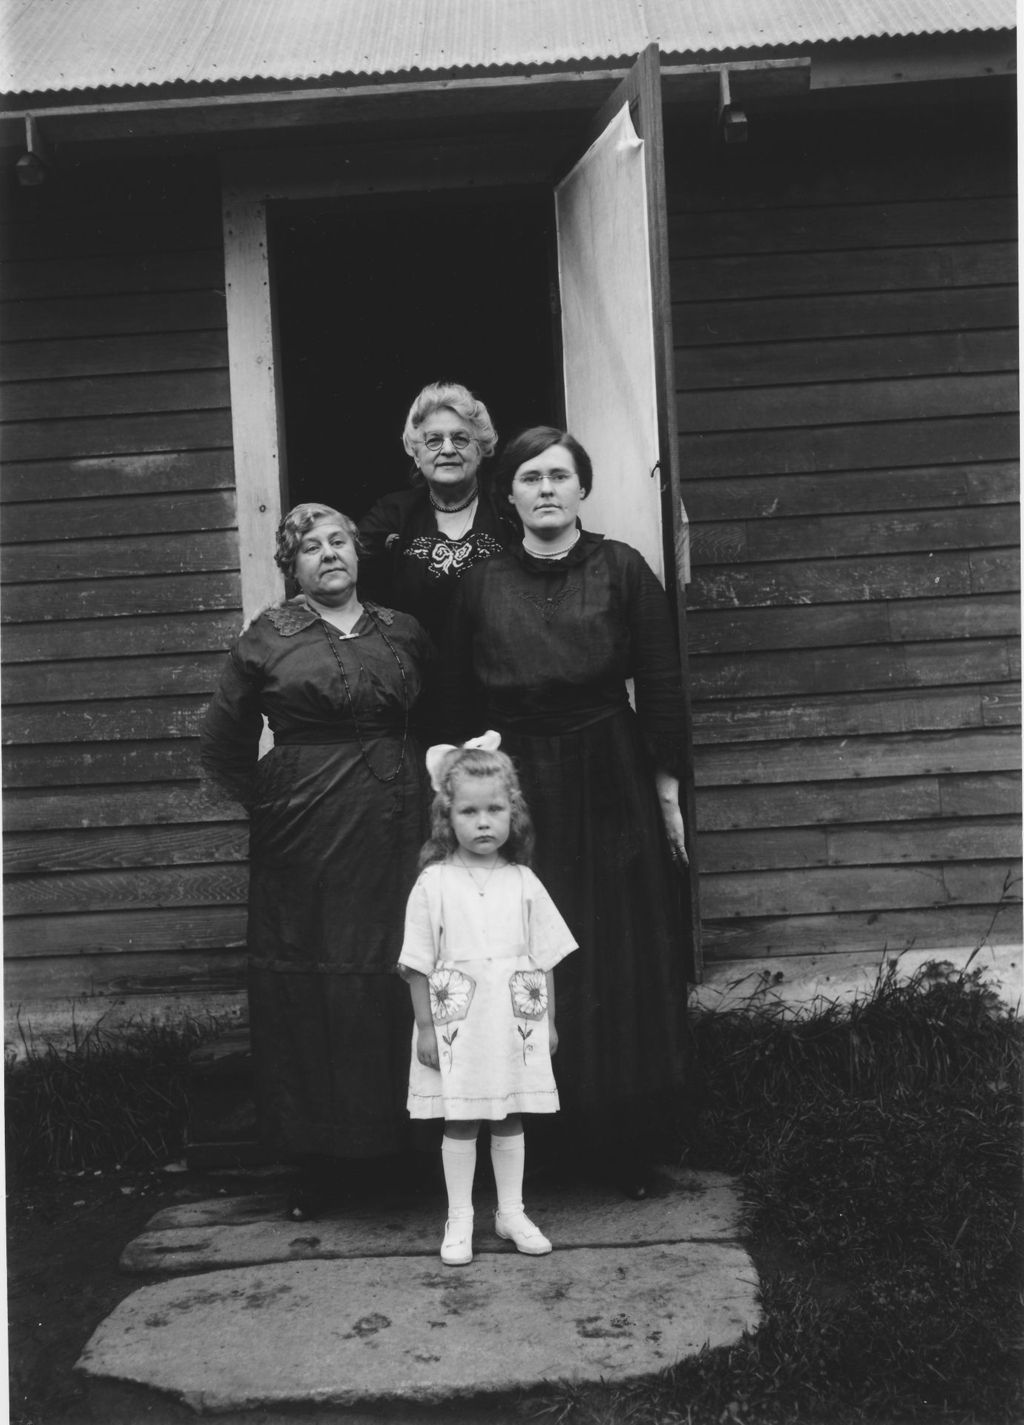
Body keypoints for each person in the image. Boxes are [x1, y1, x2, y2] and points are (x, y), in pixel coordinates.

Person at [439, 427, 690, 1197]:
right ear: (507, 495)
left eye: (560, 476)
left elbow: (662, 682)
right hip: (520, 783)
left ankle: (620, 1143)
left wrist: (667, 788)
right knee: (519, 950)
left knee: (612, 947)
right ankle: (533, 1138)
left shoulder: (622, 571)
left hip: (608, 770)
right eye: (529, 477)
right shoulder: (479, 584)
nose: (545, 489)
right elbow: (454, 696)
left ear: (583, 488)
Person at [200, 502, 432, 1221]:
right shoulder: (268, 637)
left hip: (398, 825)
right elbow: (222, 739)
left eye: (340, 542)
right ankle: (321, 1163)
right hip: (302, 836)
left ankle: (408, 1151)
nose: (329, 554)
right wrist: (269, 804)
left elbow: (439, 718)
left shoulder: (403, 631)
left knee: (400, 969)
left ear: (359, 555)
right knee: (312, 984)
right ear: (291, 567)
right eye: (311, 547)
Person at [397, 735, 576, 1266]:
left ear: (512, 812)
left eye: (494, 809)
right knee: (461, 1118)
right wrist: (426, 1028)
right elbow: (416, 964)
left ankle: (511, 1211)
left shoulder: (523, 881)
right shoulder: (434, 883)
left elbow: (546, 957)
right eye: (469, 811)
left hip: (511, 1024)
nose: (483, 823)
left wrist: (548, 1022)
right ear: (445, 816)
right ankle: (460, 1217)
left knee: (509, 1115)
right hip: (458, 1028)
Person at [357, 381, 511, 640]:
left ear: (480, 450)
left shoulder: (509, 510)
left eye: (460, 438)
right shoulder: (392, 513)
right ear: (417, 456)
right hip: (415, 668)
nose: (448, 449)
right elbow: (345, 567)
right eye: (434, 440)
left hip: (496, 667)